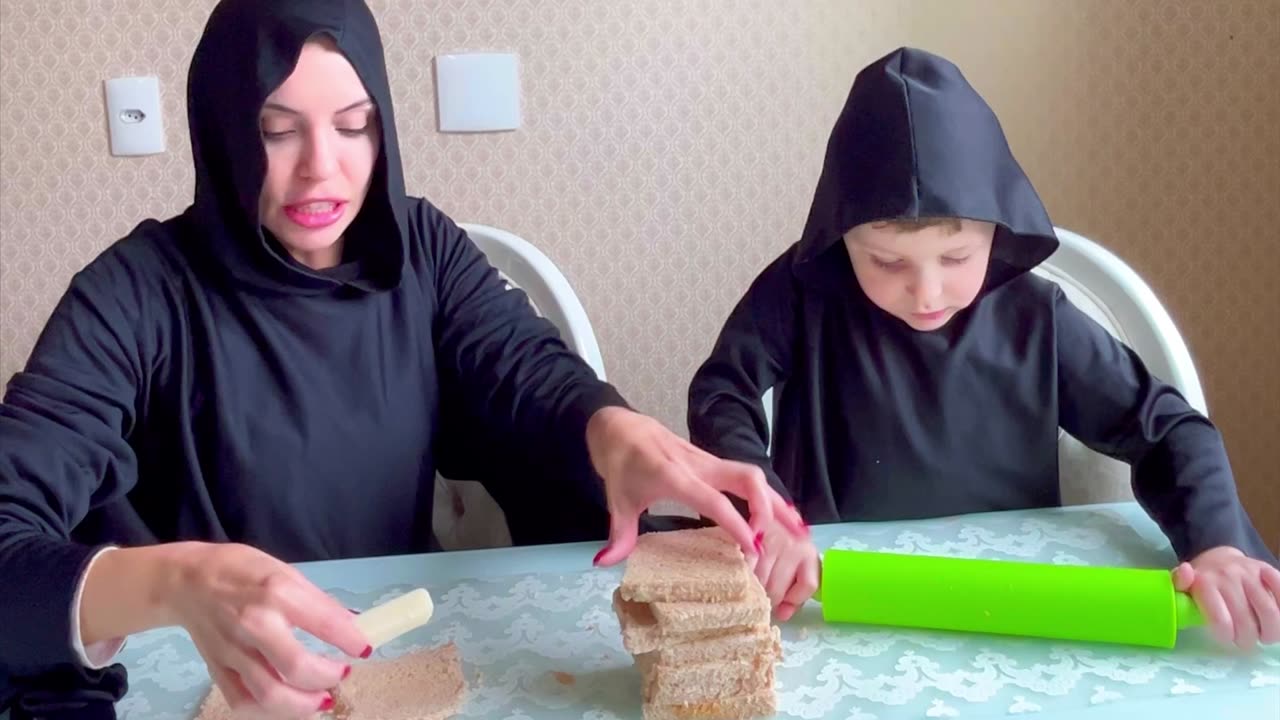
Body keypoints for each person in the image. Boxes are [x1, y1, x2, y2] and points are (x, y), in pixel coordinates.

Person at [0, 0, 805, 715]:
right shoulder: (135, 294)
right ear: (220, 132)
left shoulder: (421, 247)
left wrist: (613, 429)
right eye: (275, 131)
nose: (323, 166)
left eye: (355, 126)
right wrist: (175, 584)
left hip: (386, 659)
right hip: (199, 677)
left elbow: (524, 371)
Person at [687, 47, 1280, 648]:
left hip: (1010, 607)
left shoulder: (1038, 319)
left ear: (997, 232)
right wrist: (770, 517)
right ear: (841, 239)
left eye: (956, 257)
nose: (927, 291)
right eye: (887, 262)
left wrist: (1217, 543)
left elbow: (1170, 430)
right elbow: (721, 394)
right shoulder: (801, 292)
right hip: (830, 598)